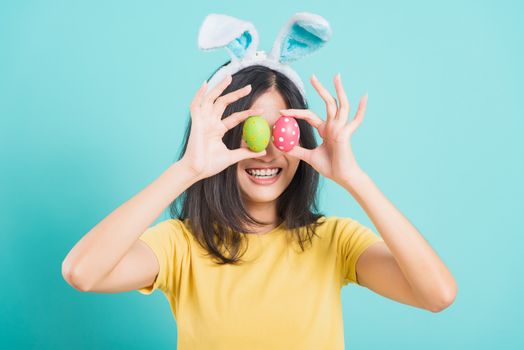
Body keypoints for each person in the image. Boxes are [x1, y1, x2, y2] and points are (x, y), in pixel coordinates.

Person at [62, 13, 457, 350]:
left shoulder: (334, 242)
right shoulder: (180, 246)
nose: (266, 152)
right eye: (250, 131)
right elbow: (82, 272)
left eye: (281, 130)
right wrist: (187, 169)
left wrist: (354, 178)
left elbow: (438, 295)